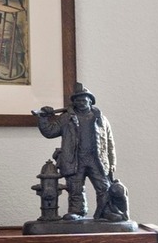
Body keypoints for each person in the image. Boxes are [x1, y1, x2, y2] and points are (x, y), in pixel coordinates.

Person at [35, 84, 121, 220]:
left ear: (90, 101)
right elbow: (50, 131)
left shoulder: (101, 119)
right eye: (77, 100)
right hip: (74, 159)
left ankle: (106, 211)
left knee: (104, 187)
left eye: (83, 100)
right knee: (75, 188)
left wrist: (112, 162)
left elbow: (110, 143)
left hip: (97, 160)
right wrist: (43, 118)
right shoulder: (66, 118)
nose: (80, 103)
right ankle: (77, 211)